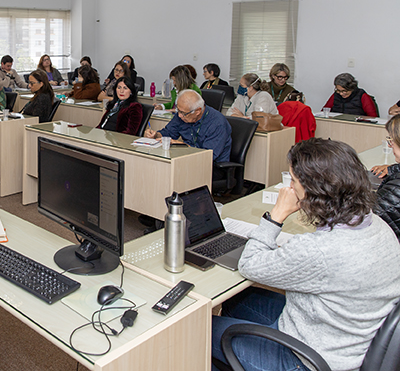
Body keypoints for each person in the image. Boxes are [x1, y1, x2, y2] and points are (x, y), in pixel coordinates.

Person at [212, 138, 400, 371]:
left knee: (200, 330)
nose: (290, 188)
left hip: (308, 358)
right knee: (236, 300)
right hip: (343, 336)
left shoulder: (321, 249)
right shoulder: (377, 225)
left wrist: (276, 216)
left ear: (314, 190)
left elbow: (249, 264)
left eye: (293, 180)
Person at [145, 89, 232, 162]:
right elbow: (168, 133)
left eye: (183, 113)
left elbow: (207, 156)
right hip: (186, 160)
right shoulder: (182, 114)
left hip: (211, 167)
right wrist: (155, 135)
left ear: (198, 111)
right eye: (178, 110)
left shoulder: (217, 123)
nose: (179, 115)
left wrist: (181, 145)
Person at [371, 115, 400, 240]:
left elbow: (367, 220)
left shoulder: (395, 190)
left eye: (391, 140)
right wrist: (392, 169)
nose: (390, 145)